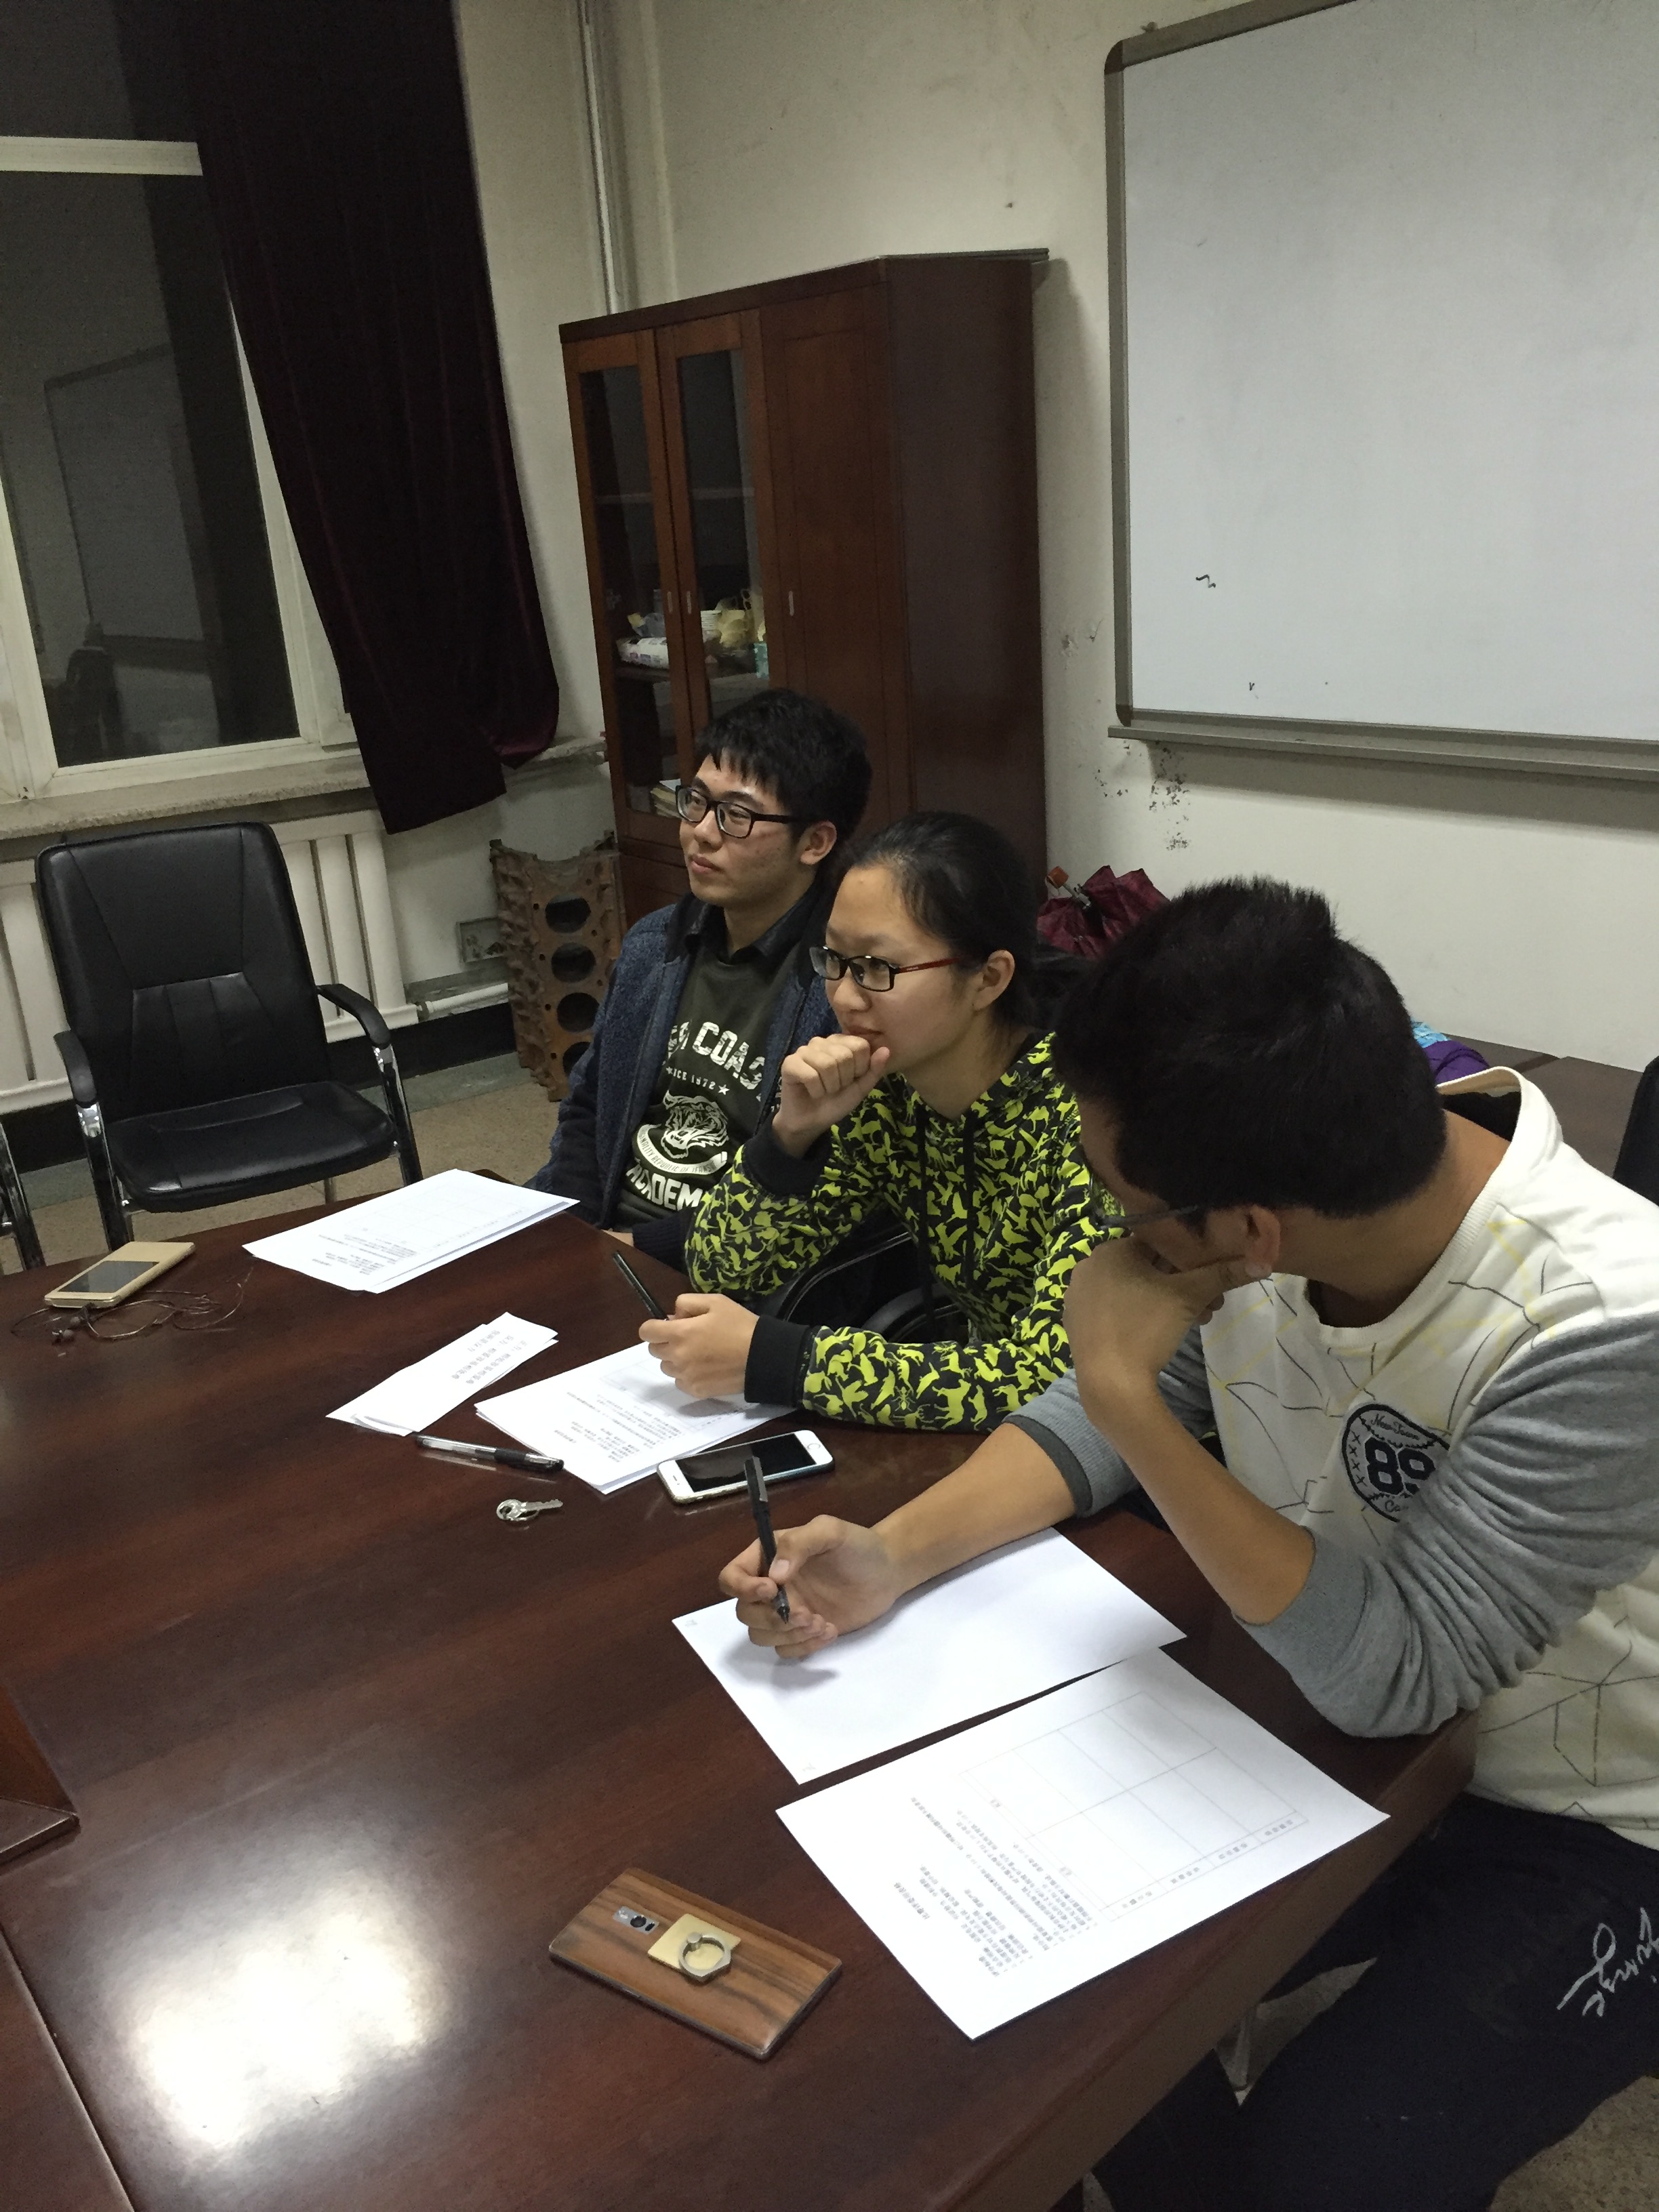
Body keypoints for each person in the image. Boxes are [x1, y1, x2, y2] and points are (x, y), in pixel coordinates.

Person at [717, 878, 1659, 2212]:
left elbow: (1399, 1672)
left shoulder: (1607, 1323)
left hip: (1594, 1813)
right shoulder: (1283, 1200)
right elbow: (1118, 1409)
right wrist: (893, 1554)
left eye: (1121, 1204)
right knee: (1042, 2005)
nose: (1111, 1234)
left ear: (1248, 1234)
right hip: (1342, 1729)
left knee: (1332, 2163)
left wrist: (1121, 1396)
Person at [640, 812, 1097, 1429]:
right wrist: (789, 1138)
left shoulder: (1089, 1115)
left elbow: (1060, 1378)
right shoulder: (885, 1089)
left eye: (877, 969)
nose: (845, 997)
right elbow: (721, 1269)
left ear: (988, 979)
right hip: (986, 1430)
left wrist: (783, 1360)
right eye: (834, 960)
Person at [527, 689, 869, 1268]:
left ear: (815, 842)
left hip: (728, 1265)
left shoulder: (845, 986)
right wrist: (578, 1232)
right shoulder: (654, 943)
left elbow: (822, 1192)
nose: (700, 833)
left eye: (736, 816)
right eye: (696, 802)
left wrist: (635, 1251)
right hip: (604, 1235)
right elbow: (590, 1106)